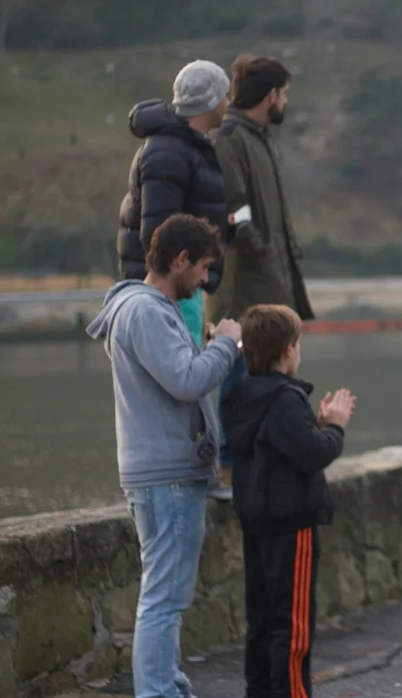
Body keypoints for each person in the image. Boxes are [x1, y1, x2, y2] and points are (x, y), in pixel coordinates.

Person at [86, 214, 242, 698]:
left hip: (164, 474)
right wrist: (226, 344)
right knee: (163, 599)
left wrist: (211, 348)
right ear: (180, 260)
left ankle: (168, 686)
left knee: (168, 596)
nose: (205, 279)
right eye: (202, 267)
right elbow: (187, 381)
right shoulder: (146, 312)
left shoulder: (147, 308)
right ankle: (157, 692)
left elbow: (179, 374)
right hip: (166, 477)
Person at [221, 304, 355, 698]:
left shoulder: (239, 395)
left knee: (261, 622)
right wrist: (335, 427)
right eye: (298, 343)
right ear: (287, 350)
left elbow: (279, 444)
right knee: (292, 625)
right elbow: (312, 453)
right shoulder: (284, 399)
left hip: (256, 519)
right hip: (291, 523)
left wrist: (315, 425)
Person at [208, 53, 316, 498]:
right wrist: (261, 249)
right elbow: (236, 210)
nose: (286, 101)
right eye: (284, 93)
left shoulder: (258, 139)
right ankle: (228, 465)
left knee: (265, 375)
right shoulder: (232, 139)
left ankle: (258, 460)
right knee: (237, 373)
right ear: (271, 95)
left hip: (268, 278)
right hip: (244, 284)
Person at [117, 60, 233, 347]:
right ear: (210, 102)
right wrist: (175, 286)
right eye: (223, 95)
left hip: (183, 282)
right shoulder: (168, 153)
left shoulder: (185, 148)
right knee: (183, 367)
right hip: (173, 290)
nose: (228, 103)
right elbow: (159, 232)